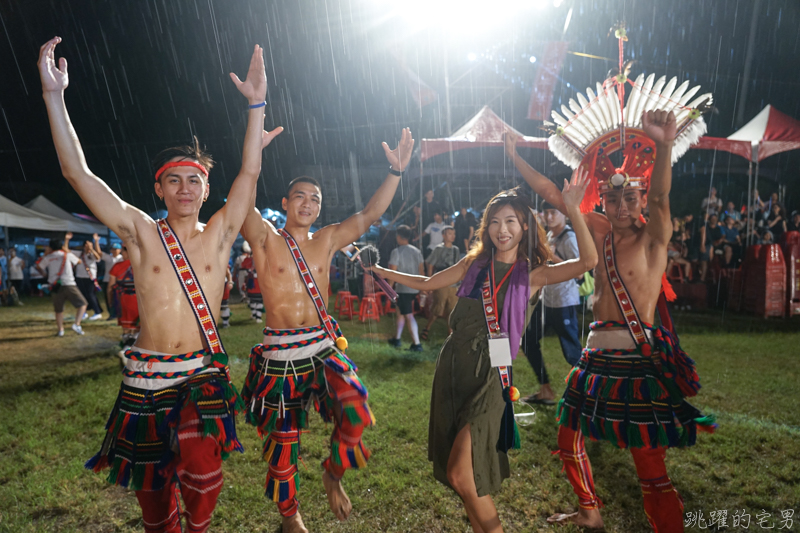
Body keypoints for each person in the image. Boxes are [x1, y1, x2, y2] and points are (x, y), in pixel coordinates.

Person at [40, 36, 282, 532]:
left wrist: (256, 104)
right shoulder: (140, 234)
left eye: (194, 181)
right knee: (152, 504)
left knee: (201, 468)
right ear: (158, 188)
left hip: (199, 373)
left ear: (207, 189)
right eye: (173, 180)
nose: (185, 189)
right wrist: (54, 97)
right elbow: (76, 172)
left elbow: (250, 171)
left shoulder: (220, 237)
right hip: (145, 377)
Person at [508, 109, 715, 531]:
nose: (622, 206)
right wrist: (514, 155)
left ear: (640, 200)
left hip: (637, 361)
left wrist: (664, 145)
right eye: (613, 198)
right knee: (567, 440)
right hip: (594, 359)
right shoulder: (598, 231)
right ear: (602, 198)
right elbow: (553, 193)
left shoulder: (655, 237)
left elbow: (661, 198)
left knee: (649, 467)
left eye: (630, 198)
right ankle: (590, 511)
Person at [369, 172, 596, 533]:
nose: (501, 230)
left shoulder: (531, 273)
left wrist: (574, 209)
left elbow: (587, 263)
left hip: (493, 371)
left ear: (525, 226)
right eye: (494, 222)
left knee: (462, 473)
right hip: (455, 365)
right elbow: (428, 283)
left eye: (510, 222)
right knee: (461, 476)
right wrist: (380, 270)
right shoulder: (473, 265)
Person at [239, 128, 414, 533]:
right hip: (279, 355)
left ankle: (332, 473)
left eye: (314, 198)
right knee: (283, 446)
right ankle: (289, 516)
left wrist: (395, 171)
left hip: (321, 348)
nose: (308, 203)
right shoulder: (264, 238)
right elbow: (241, 203)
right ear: (284, 203)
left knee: (354, 407)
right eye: (299, 196)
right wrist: (254, 153)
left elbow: (370, 214)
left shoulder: (329, 238)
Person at [521, 201, 584, 405]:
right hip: (547, 301)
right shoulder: (550, 236)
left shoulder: (569, 237)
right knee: (528, 340)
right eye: (546, 213)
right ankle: (545, 389)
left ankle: (590, 394)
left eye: (553, 213)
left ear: (563, 214)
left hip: (564, 302)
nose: (548, 218)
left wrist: (552, 256)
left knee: (572, 352)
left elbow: (581, 271)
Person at [37, 236, 88, 336]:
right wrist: (67, 250)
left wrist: (45, 274)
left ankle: (61, 330)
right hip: (68, 283)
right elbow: (79, 261)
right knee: (83, 304)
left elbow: (39, 266)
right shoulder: (66, 255)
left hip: (55, 285)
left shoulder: (48, 257)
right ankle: (76, 324)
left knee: (58, 310)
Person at [388, 224, 425, 351]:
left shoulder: (396, 252)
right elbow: (421, 270)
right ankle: (397, 339)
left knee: (408, 314)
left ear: (398, 237)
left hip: (403, 288)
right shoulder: (417, 251)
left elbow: (392, 272)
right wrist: (422, 287)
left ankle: (417, 343)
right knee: (400, 312)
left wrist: (389, 289)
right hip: (414, 287)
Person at [421, 225, 460, 339]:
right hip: (441, 283)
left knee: (452, 310)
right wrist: (430, 281)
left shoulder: (455, 250)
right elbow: (430, 264)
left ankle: (450, 333)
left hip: (453, 284)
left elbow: (458, 266)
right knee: (437, 308)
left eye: (453, 234)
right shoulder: (438, 249)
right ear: (443, 235)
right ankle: (427, 327)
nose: (452, 236)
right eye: (449, 234)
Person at [109, 246, 139, 351]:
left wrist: (110, 301)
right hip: (138, 300)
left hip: (122, 299)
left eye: (123, 252)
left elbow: (111, 286)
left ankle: (126, 344)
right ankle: (134, 344)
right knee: (137, 325)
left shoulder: (117, 266)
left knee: (126, 325)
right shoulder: (141, 265)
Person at [72, 232, 105, 320]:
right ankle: (84, 312)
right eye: (86, 244)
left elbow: (98, 258)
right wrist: (67, 240)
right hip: (79, 277)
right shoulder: (80, 254)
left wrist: (93, 246)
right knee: (82, 295)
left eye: (89, 244)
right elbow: (67, 251)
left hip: (90, 278)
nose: (87, 246)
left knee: (91, 295)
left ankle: (97, 312)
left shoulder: (91, 254)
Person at [241, 242, 262, 322]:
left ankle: (258, 317)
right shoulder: (248, 260)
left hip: (258, 282)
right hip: (251, 282)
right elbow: (244, 267)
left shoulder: (261, 259)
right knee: (253, 299)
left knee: (258, 300)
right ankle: (255, 315)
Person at [698, 214, 722, 282]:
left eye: (715, 218)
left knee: (706, 259)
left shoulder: (718, 229)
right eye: (712, 218)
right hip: (706, 245)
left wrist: (714, 245)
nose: (714, 220)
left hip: (714, 246)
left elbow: (719, 239)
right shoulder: (706, 227)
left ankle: (703, 278)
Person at [101, 243, 122, 319]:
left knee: (117, 298)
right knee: (108, 298)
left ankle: (118, 313)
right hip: (107, 280)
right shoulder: (109, 257)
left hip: (118, 281)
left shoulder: (121, 258)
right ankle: (111, 314)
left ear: (120, 250)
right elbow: (100, 253)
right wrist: (96, 241)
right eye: (113, 249)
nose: (114, 251)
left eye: (116, 249)